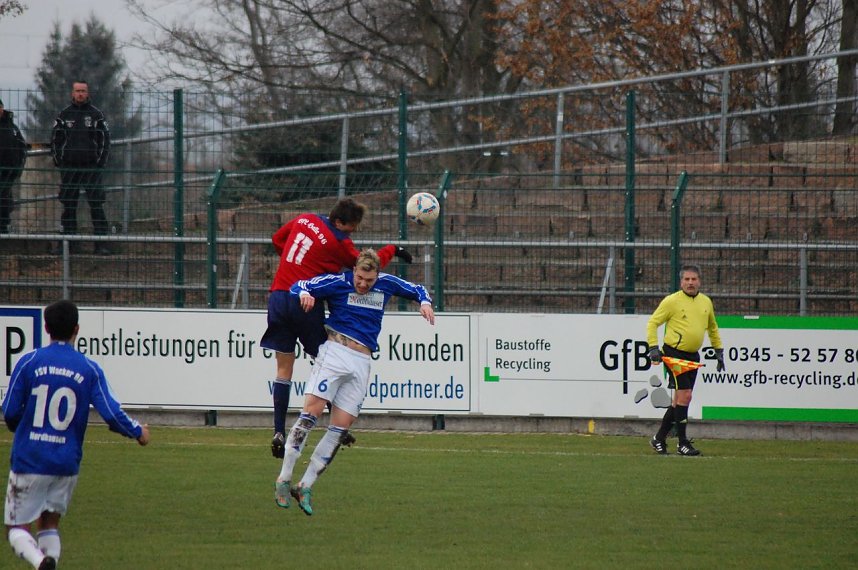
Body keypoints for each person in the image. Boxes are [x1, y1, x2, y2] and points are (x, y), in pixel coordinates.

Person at [274, 249, 434, 515]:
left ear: (377, 276)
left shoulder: (387, 284)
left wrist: (425, 303)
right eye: (360, 278)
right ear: (355, 271)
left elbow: (418, 289)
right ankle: (283, 478)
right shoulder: (338, 282)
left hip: (362, 362)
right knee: (311, 413)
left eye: (368, 281)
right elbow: (300, 285)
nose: (362, 284)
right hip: (334, 353)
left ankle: (306, 485)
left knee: (340, 427)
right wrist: (304, 293)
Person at [2, 300, 150, 570]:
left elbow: (10, 410)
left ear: (46, 328)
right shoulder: (88, 368)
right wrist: (138, 431)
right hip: (66, 463)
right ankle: (49, 562)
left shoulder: (29, 362)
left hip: (29, 459)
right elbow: (111, 413)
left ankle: (38, 562)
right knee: (49, 524)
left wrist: (18, 427)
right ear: (77, 329)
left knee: (15, 528)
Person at [260, 197, 412, 459]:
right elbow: (365, 266)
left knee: (283, 368)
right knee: (328, 358)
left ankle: (278, 431)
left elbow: (277, 240)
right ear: (340, 222)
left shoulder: (304, 218)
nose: (350, 234)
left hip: (277, 297)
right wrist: (393, 249)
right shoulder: (338, 242)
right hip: (304, 301)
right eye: (350, 228)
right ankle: (338, 424)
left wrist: (295, 265)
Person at [646, 264, 725, 456]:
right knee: (686, 396)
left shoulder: (705, 302)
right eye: (686, 279)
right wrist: (653, 347)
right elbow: (653, 323)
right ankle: (682, 443)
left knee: (679, 401)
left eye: (694, 279)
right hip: (674, 354)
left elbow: (712, 328)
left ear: (699, 281)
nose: (690, 283)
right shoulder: (671, 301)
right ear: (681, 281)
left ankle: (659, 438)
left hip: (693, 356)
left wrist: (719, 350)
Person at [50, 80, 111, 255]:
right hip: (69, 168)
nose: (80, 94)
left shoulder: (96, 115)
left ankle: (101, 244)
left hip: (91, 168)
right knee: (69, 205)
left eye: (83, 91)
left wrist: (99, 163)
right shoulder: (64, 115)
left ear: (88, 93)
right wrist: (59, 161)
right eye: (77, 91)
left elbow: (105, 141)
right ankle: (68, 244)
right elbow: (55, 140)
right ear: (72, 93)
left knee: (96, 204)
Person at [0, 98, 27, 234]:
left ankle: (4, 228)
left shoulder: (13, 128)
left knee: (4, 201)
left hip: (7, 174)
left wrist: (18, 169)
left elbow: (22, 148)